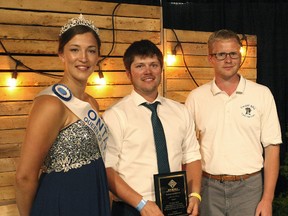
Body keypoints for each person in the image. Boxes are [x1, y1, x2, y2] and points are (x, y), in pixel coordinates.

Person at [15, 14, 110, 216]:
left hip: (92, 195)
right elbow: (24, 176)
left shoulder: (91, 102)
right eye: (74, 50)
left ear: (98, 57)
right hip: (62, 201)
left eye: (91, 51)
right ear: (61, 55)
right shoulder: (50, 104)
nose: (83, 58)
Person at [185, 29, 282, 216]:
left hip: (250, 189)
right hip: (208, 188)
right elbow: (189, 151)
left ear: (240, 55)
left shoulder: (262, 94)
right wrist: (193, 193)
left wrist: (267, 199)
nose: (228, 60)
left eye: (233, 54)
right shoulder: (196, 98)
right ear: (210, 58)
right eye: (221, 54)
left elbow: (272, 148)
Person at [103, 39, 202, 216]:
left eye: (154, 65)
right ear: (128, 73)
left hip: (176, 205)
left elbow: (192, 156)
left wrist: (194, 195)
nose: (148, 71)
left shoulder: (180, 111)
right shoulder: (115, 115)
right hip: (132, 208)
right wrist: (141, 204)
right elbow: (107, 169)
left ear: (161, 70)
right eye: (140, 66)